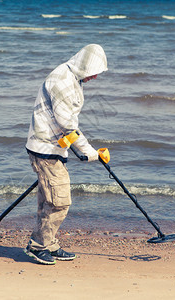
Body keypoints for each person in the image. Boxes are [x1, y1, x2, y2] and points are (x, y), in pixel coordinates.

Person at [24, 44, 108, 265]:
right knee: (60, 201)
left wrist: (75, 147)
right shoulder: (62, 81)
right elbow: (67, 124)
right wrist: (89, 152)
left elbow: (64, 121)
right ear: (84, 65)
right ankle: (38, 246)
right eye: (94, 72)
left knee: (49, 200)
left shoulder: (72, 77)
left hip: (52, 147)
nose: (95, 77)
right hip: (44, 149)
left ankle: (48, 244)